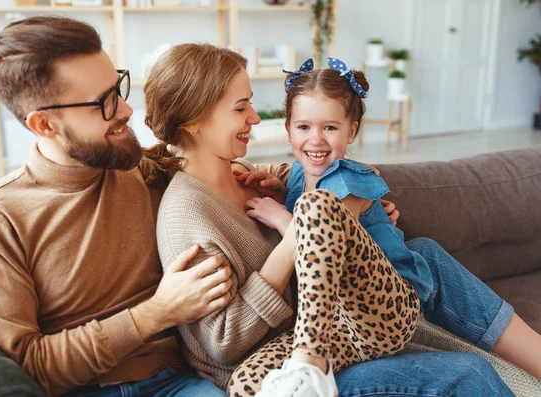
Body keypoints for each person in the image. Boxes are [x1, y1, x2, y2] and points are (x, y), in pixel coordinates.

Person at [145, 43, 517, 397]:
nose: (256, 119)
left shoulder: (242, 173)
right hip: (274, 369)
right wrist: (299, 233)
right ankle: (308, 368)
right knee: (470, 373)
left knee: (424, 253)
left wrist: (359, 206)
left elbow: (325, 170)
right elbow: (223, 344)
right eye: (241, 108)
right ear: (194, 120)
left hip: (335, 328)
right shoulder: (186, 215)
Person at [0, 16, 234, 396]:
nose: (125, 110)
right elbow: (27, 366)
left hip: (179, 381)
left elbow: (224, 171)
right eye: (103, 103)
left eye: (117, 88)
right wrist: (156, 313)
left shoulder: (137, 166)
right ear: (44, 125)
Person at [233, 57, 541, 390]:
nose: (316, 139)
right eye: (304, 127)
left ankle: (311, 362)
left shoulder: (350, 179)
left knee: (316, 206)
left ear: (352, 130)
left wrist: (281, 217)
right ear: (287, 129)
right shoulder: (295, 175)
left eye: (330, 127)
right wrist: (280, 191)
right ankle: (305, 372)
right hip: (336, 326)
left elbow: (321, 229)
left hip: (387, 311)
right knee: (246, 382)